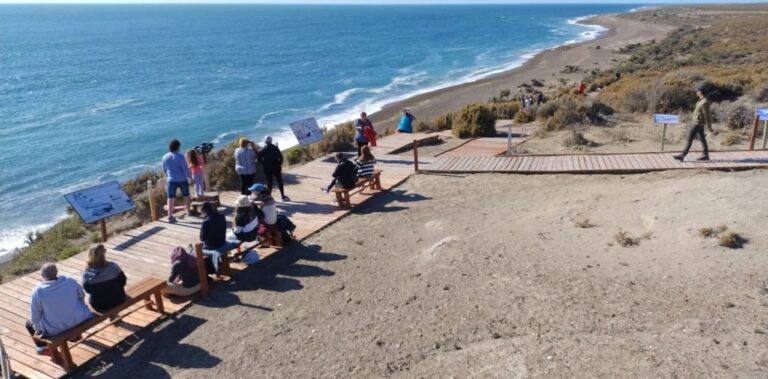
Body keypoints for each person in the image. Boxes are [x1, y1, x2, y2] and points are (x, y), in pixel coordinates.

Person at [27, 263, 93, 355]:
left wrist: (39, 330)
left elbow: (35, 315)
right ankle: (76, 336)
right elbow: (81, 295)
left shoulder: (38, 291)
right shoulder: (70, 281)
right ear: (57, 272)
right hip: (80, 317)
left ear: (42, 276)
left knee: (29, 324)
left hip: (57, 329)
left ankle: (44, 348)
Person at [674, 84, 716, 162]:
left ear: (701, 92)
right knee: (702, 139)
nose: (696, 92)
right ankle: (705, 155)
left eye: (698, 90)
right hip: (698, 122)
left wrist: (709, 127)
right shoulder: (701, 100)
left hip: (698, 123)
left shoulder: (705, 102)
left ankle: (682, 155)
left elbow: (707, 115)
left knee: (689, 138)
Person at [81, 244, 127, 313]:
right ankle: (114, 315)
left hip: (99, 305)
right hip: (119, 299)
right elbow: (123, 281)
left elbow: (88, 290)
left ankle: (113, 316)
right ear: (103, 253)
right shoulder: (113, 267)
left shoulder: (86, 274)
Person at [199, 202, 237, 275]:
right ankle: (218, 265)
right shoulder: (222, 216)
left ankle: (212, 269)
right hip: (222, 241)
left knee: (199, 249)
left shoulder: (206, 222)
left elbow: (202, 238)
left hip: (212, 245)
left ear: (204, 211)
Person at [162, 139, 192, 223]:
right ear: (177, 147)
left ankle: (170, 216)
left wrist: (168, 177)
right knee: (186, 195)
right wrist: (190, 177)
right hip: (182, 179)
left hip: (171, 180)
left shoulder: (164, 157)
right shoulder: (180, 156)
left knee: (170, 198)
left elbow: (164, 169)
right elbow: (185, 169)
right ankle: (188, 212)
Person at [257, 136, 289, 202]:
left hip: (267, 168)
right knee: (279, 181)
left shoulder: (263, 149)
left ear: (265, 141)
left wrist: (263, 163)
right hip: (276, 167)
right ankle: (283, 196)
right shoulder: (275, 148)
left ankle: (269, 197)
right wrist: (279, 164)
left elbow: (259, 159)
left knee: (269, 183)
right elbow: (281, 157)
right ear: (271, 141)